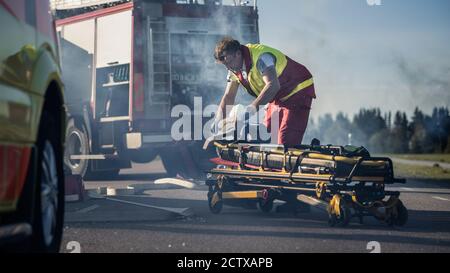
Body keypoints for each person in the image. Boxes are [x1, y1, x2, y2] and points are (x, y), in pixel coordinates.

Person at [214, 37, 316, 146]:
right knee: (266, 136)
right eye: (225, 65)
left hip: (298, 91)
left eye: (229, 62)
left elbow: (273, 86)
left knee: (285, 143)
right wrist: (218, 121)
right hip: (278, 97)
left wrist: (250, 109)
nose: (228, 68)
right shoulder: (233, 69)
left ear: (238, 54)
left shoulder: (262, 58)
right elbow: (228, 96)